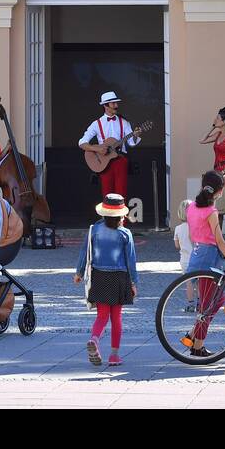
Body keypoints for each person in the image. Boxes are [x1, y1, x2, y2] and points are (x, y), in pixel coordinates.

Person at [74, 193, 138, 366]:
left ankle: (94, 339)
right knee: (116, 317)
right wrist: (134, 283)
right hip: (119, 277)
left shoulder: (94, 230)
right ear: (122, 215)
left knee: (102, 316)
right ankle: (114, 355)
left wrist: (79, 273)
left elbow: (84, 252)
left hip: (99, 276)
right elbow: (130, 260)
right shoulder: (125, 234)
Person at [185, 170, 225, 358]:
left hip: (197, 254)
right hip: (210, 257)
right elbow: (219, 241)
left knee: (217, 300)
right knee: (207, 305)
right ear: (219, 192)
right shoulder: (211, 212)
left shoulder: (191, 208)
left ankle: (191, 336)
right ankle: (198, 346)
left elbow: (191, 235)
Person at [78, 92, 140, 213]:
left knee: (121, 193)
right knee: (107, 193)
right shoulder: (97, 124)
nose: (116, 105)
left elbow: (131, 143)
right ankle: (108, 221)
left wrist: (136, 135)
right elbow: (82, 143)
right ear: (106, 105)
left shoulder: (124, 122)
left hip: (121, 160)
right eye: (113, 103)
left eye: (116, 103)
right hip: (104, 162)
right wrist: (97, 149)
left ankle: (121, 222)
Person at [201, 105, 225, 215]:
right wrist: (213, 127)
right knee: (218, 205)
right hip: (217, 171)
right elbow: (202, 140)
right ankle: (219, 232)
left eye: (217, 118)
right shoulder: (218, 134)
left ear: (224, 121)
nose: (215, 120)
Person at [172, 199, 195, 311]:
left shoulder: (178, 228)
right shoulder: (194, 227)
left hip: (184, 260)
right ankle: (201, 302)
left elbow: (177, 245)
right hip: (195, 258)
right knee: (199, 281)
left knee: (189, 283)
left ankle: (191, 304)